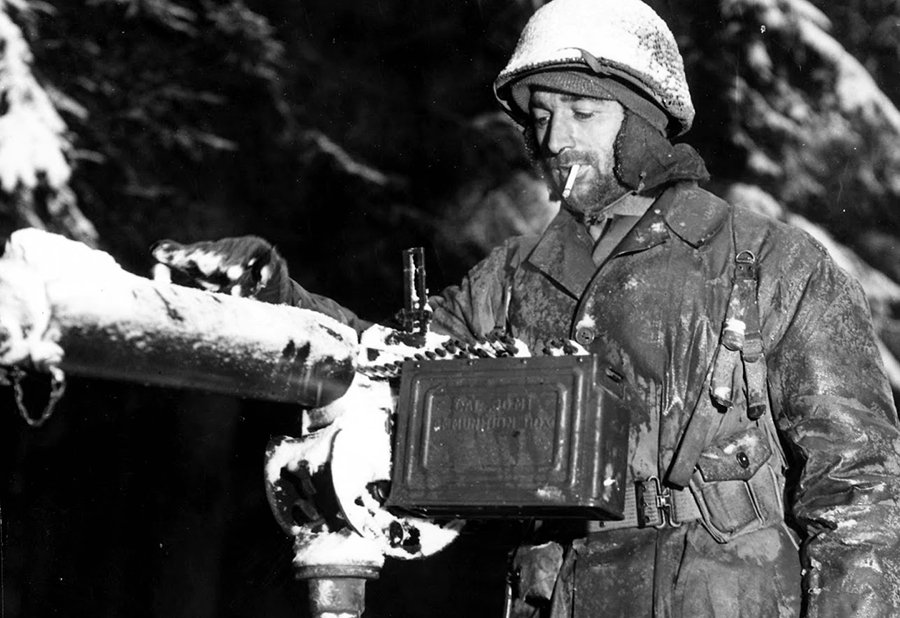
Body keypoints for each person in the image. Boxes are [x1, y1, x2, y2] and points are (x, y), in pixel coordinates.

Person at [153, 0, 900, 615]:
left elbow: (861, 482)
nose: (553, 138)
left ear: (642, 125)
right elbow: (386, 370)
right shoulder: (514, 277)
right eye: (540, 117)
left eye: (581, 111)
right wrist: (273, 297)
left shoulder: (768, 261)